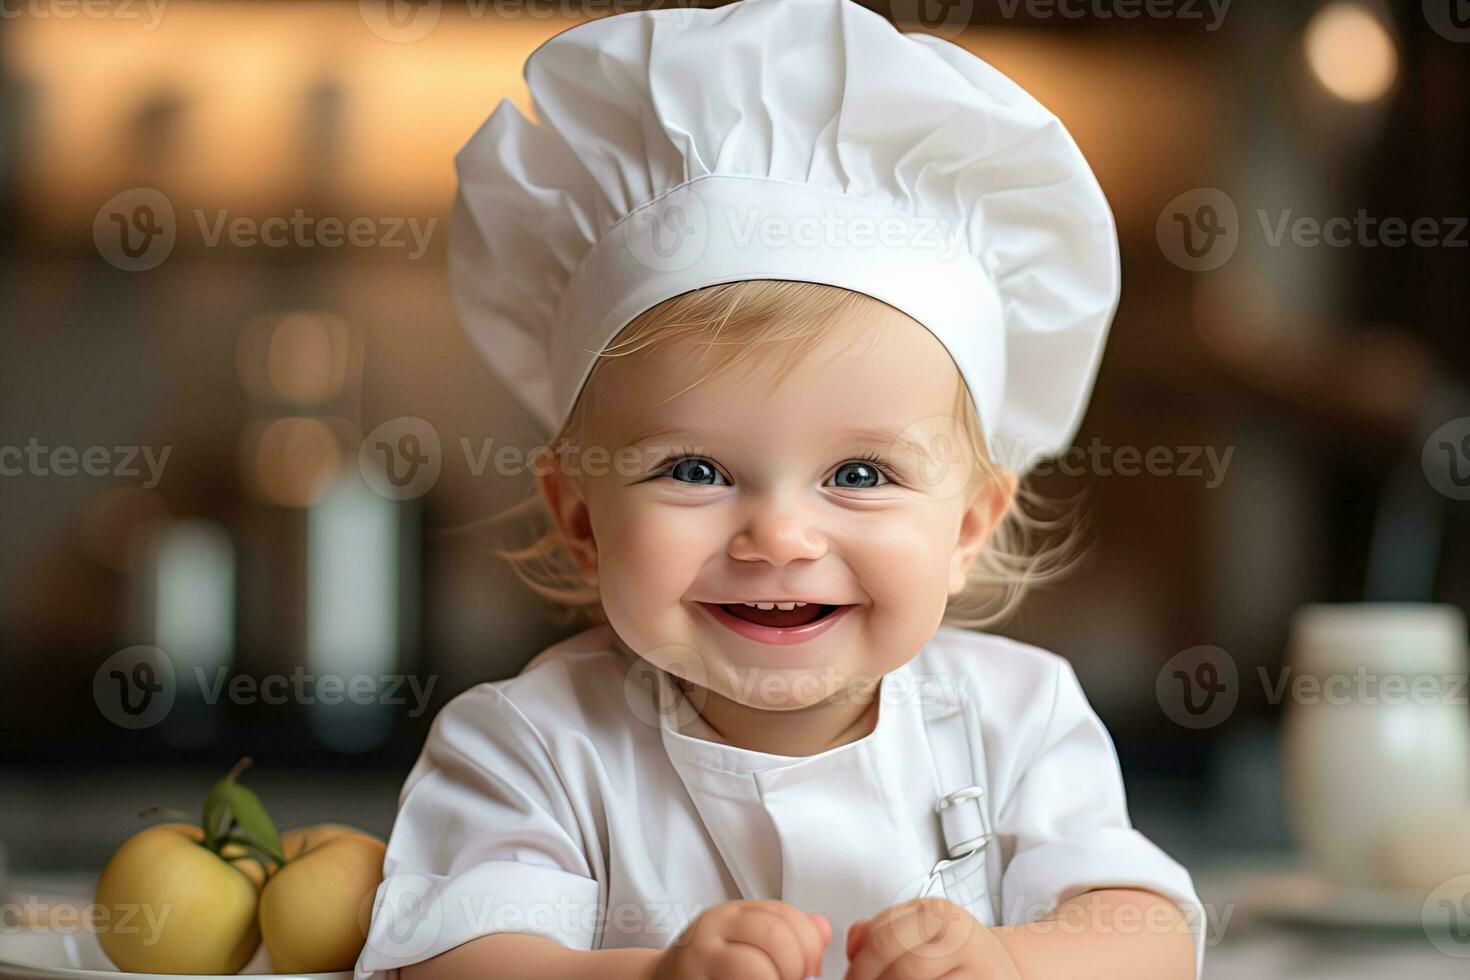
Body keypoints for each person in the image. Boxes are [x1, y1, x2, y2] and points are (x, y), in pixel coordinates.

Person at [354, 0, 1205, 977]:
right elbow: (457, 960)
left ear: (969, 524)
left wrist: (1012, 961)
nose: (780, 535)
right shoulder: (534, 742)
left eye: (859, 473)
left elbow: (1150, 935)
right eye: (696, 469)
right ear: (581, 515)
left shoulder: (1018, 715)